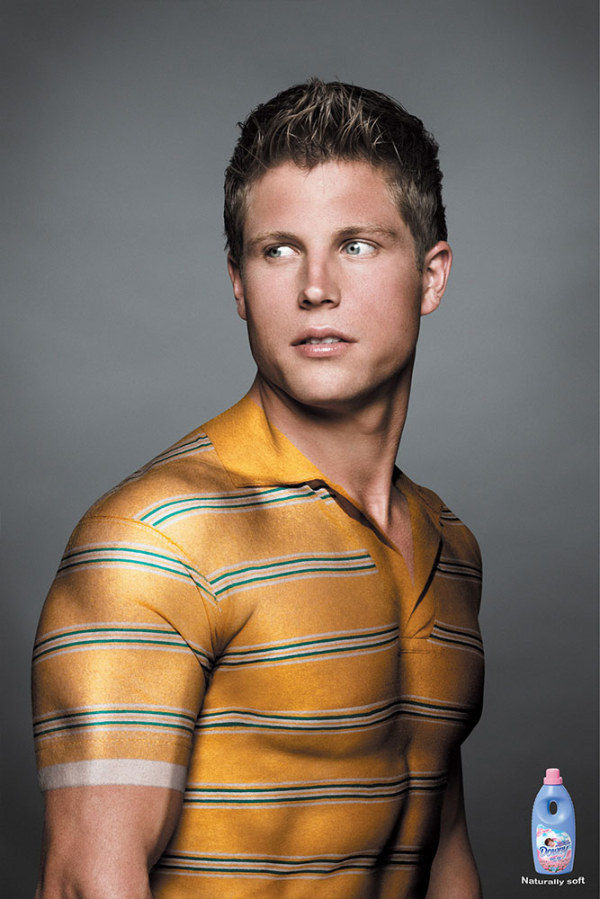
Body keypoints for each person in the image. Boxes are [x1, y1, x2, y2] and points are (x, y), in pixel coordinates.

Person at [32, 78, 484, 898]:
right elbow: (86, 880)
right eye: (278, 249)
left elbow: (440, 845)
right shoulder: (160, 539)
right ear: (239, 284)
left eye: (357, 245)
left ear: (431, 276)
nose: (315, 287)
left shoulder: (449, 548)